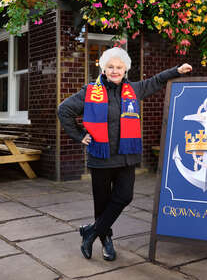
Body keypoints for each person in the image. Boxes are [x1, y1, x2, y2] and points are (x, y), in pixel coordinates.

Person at [58, 47, 192, 261]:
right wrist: (79, 135)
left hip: (125, 157)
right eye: (110, 67)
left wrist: (176, 70)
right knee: (101, 204)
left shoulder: (134, 89)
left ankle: (91, 231)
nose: (114, 70)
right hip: (100, 157)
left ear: (125, 69)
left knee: (124, 196)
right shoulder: (89, 91)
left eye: (119, 67)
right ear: (103, 68)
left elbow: (157, 81)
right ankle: (106, 241)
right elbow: (63, 110)